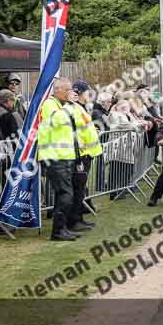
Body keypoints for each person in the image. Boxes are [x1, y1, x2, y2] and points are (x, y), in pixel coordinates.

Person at [37, 78, 81, 241]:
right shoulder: (50, 104)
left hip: (64, 156)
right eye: (68, 89)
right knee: (65, 194)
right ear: (58, 90)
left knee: (64, 195)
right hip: (54, 157)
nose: (72, 92)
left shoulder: (62, 105)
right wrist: (70, 104)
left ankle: (61, 229)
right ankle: (57, 231)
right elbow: (57, 122)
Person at [67, 80, 102, 233]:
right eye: (88, 92)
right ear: (80, 93)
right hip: (80, 154)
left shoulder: (80, 107)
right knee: (78, 188)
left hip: (86, 153)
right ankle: (74, 221)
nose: (90, 95)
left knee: (81, 189)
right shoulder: (74, 108)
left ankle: (79, 218)